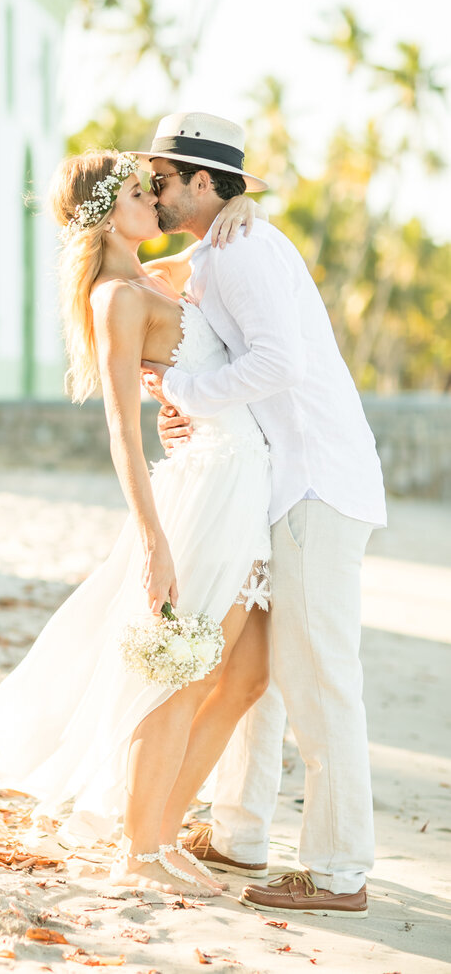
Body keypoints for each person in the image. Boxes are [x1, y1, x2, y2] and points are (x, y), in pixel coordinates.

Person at [0, 147, 274, 897]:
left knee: (248, 674)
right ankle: (144, 844)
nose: (153, 203)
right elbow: (121, 432)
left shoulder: (159, 278)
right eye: (138, 193)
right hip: (201, 494)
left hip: (242, 483)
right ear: (104, 214)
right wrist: (152, 542)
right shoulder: (115, 298)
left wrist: (239, 206)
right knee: (178, 673)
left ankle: (158, 825)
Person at [139, 111, 387, 918]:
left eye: (164, 179)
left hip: (314, 484)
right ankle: (242, 831)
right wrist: (187, 403)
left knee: (318, 681)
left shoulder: (241, 247)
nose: (153, 190)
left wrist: (180, 395)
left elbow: (277, 361)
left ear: (203, 183)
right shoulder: (224, 245)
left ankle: (338, 869)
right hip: (282, 486)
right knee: (266, 677)